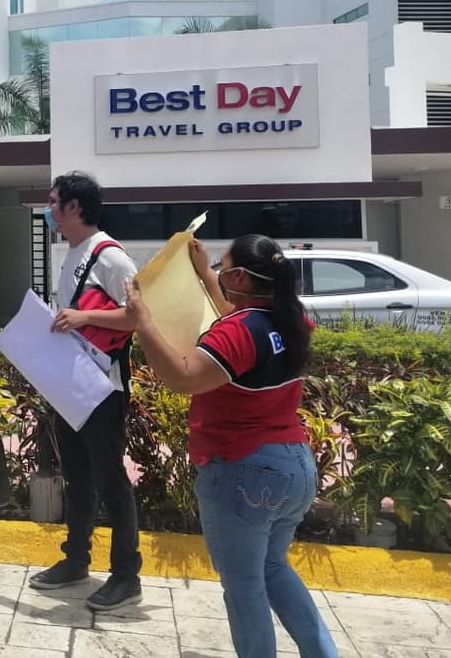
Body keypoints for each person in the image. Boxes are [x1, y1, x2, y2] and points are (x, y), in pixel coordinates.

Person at [125, 234, 338, 658]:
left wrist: (143, 323)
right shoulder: (290, 322)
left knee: (243, 586)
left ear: (240, 275)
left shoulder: (236, 331)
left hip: (244, 468)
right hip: (294, 465)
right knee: (273, 567)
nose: (219, 273)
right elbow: (240, 329)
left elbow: (185, 378)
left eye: (223, 267)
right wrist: (205, 273)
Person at [29, 171, 143, 611]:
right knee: (77, 477)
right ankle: (76, 560)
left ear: (75, 207)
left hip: (103, 388)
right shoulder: (72, 252)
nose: (49, 209)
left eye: (54, 201)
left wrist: (82, 318)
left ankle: (125, 575)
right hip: (73, 384)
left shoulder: (110, 257)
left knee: (110, 478)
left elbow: (136, 317)